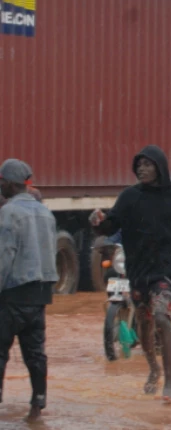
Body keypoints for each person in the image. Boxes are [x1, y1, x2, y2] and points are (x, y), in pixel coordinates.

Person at [90, 146, 171, 402]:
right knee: (144, 324)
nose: (141, 169)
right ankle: (153, 369)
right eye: (139, 165)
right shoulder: (129, 197)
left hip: (167, 271)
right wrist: (98, 222)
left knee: (162, 316)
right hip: (138, 271)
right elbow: (111, 225)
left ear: (160, 167)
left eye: (147, 164)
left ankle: (170, 382)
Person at [0, 159, 57, 420]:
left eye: (1, 182)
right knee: (35, 353)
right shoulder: (46, 213)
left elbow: (5, 256)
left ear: (10, 184)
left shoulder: (8, 213)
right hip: (39, 295)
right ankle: (37, 406)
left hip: (12, 293)